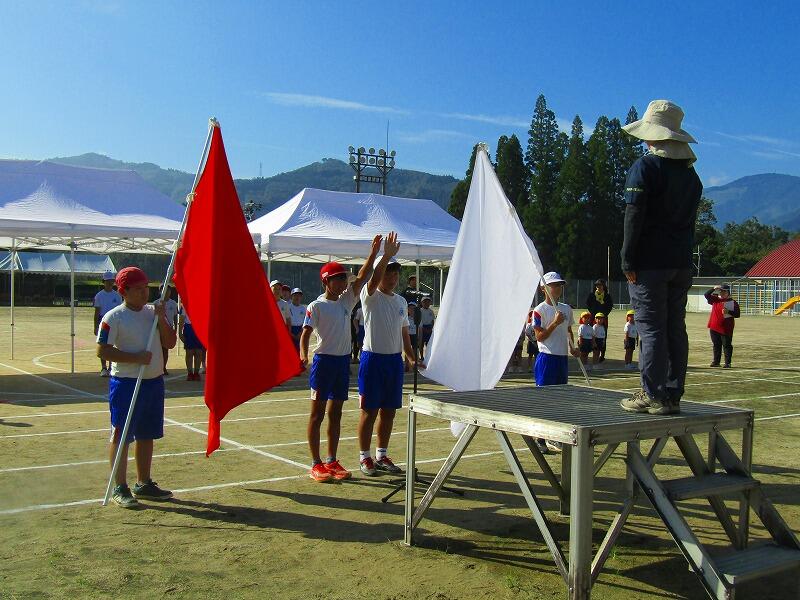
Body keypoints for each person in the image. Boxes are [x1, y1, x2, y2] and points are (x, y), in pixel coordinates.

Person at [619, 99, 702, 416]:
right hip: (680, 262)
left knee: (651, 328)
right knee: (675, 327)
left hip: (649, 263)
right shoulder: (691, 177)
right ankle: (672, 394)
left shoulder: (645, 167)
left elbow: (634, 216)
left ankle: (652, 394)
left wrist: (628, 259)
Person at [299, 235, 382, 482]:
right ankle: (316, 464)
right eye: (339, 278)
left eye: (345, 278)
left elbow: (364, 276)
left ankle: (331, 460)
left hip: (342, 363)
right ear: (327, 281)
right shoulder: (316, 306)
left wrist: (374, 253)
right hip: (323, 363)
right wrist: (303, 354)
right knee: (317, 415)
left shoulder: (347, 300)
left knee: (336, 414)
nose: (344, 282)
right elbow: (305, 333)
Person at [96, 266, 176, 508]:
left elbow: (170, 342)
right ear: (124, 291)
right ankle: (120, 486)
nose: (144, 293)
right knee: (121, 435)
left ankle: (144, 482)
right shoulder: (113, 317)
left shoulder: (153, 312)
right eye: (138, 289)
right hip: (126, 383)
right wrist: (135, 358)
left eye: (145, 288)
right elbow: (102, 350)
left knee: (147, 434)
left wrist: (161, 319)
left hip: (153, 382)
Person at [357, 232, 416, 476]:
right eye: (388, 273)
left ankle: (381, 455)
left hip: (393, 361)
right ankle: (365, 457)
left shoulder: (401, 301)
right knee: (369, 411)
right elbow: (371, 281)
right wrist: (385, 255)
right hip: (373, 359)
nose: (392, 278)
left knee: (389, 411)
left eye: (395, 274)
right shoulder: (369, 296)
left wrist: (411, 357)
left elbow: (405, 333)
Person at [531, 271, 579, 453]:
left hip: (562, 358)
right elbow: (539, 337)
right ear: (544, 288)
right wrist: (555, 323)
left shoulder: (566, 309)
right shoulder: (539, 310)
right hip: (547, 358)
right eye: (554, 285)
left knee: (560, 400)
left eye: (560, 285)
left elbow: (568, 331)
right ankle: (540, 438)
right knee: (544, 400)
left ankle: (555, 436)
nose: (558, 288)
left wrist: (573, 347)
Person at [94, 270, 123, 377]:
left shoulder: (117, 295)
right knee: (103, 344)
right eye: (107, 281)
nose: (110, 283)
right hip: (103, 322)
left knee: (112, 345)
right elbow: (97, 312)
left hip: (115, 322)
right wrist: (95, 326)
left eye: (111, 280)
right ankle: (103, 368)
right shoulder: (99, 296)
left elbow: (120, 310)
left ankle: (111, 367)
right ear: (104, 282)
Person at [705, 284, 740, 368]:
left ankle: (727, 363)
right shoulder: (715, 300)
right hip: (714, 327)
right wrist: (714, 288)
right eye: (721, 291)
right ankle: (716, 362)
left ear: (728, 293)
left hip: (726, 328)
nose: (722, 293)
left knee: (727, 345)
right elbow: (706, 295)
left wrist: (728, 311)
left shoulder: (733, 302)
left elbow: (737, 314)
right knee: (716, 345)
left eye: (724, 291)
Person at [586, 280, 613, 362]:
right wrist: (593, 312)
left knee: (603, 336)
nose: (598, 286)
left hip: (603, 318)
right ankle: (591, 353)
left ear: (603, 286)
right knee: (592, 335)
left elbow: (610, 306)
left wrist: (604, 315)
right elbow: (588, 304)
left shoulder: (607, 296)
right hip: (593, 317)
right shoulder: (591, 295)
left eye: (600, 285)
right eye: (597, 285)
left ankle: (602, 355)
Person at [178, 306, 205, 381]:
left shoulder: (202, 304)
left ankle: (196, 373)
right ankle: (190, 373)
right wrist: (180, 333)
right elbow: (181, 319)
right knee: (189, 352)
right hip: (189, 329)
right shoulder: (185, 305)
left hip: (200, 328)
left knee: (199, 352)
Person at [161, 286, 179, 376]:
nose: (166, 292)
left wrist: (176, 328)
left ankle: (164, 367)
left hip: (169, 329)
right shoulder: (156, 303)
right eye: (164, 290)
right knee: (159, 350)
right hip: (159, 330)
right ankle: (159, 368)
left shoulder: (173, 303)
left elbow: (175, 316)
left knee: (166, 349)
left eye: (168, 291)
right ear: (160, 291)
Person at [406, 302, 418, 372]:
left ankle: (414, 366)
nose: (411, 310)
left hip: (415, 336)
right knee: (407, 350)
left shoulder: (418, 319)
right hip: (408, 336)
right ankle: (407, 365)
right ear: (407, 310)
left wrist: (419, 338)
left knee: (415, 351)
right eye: (410, 308)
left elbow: (420, 329)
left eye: (413, 309)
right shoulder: (406, 318)